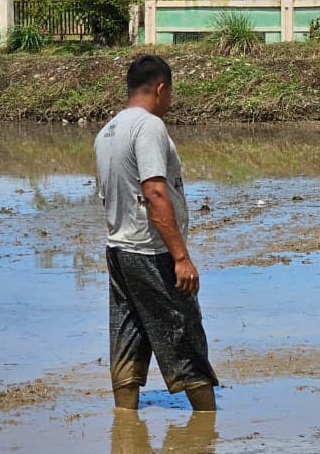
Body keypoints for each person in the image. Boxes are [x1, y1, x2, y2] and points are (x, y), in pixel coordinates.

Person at [94, 54, 218, 411]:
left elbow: (108, 194)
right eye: (170, 93)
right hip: (151, 252)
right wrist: (181, 257)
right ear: (161, 89)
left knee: (128, 335)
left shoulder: (107, 131)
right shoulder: (149, 126)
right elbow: (154, 191)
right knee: (184, 337)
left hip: (119, 250)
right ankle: (206, 424)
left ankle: (125, 423)